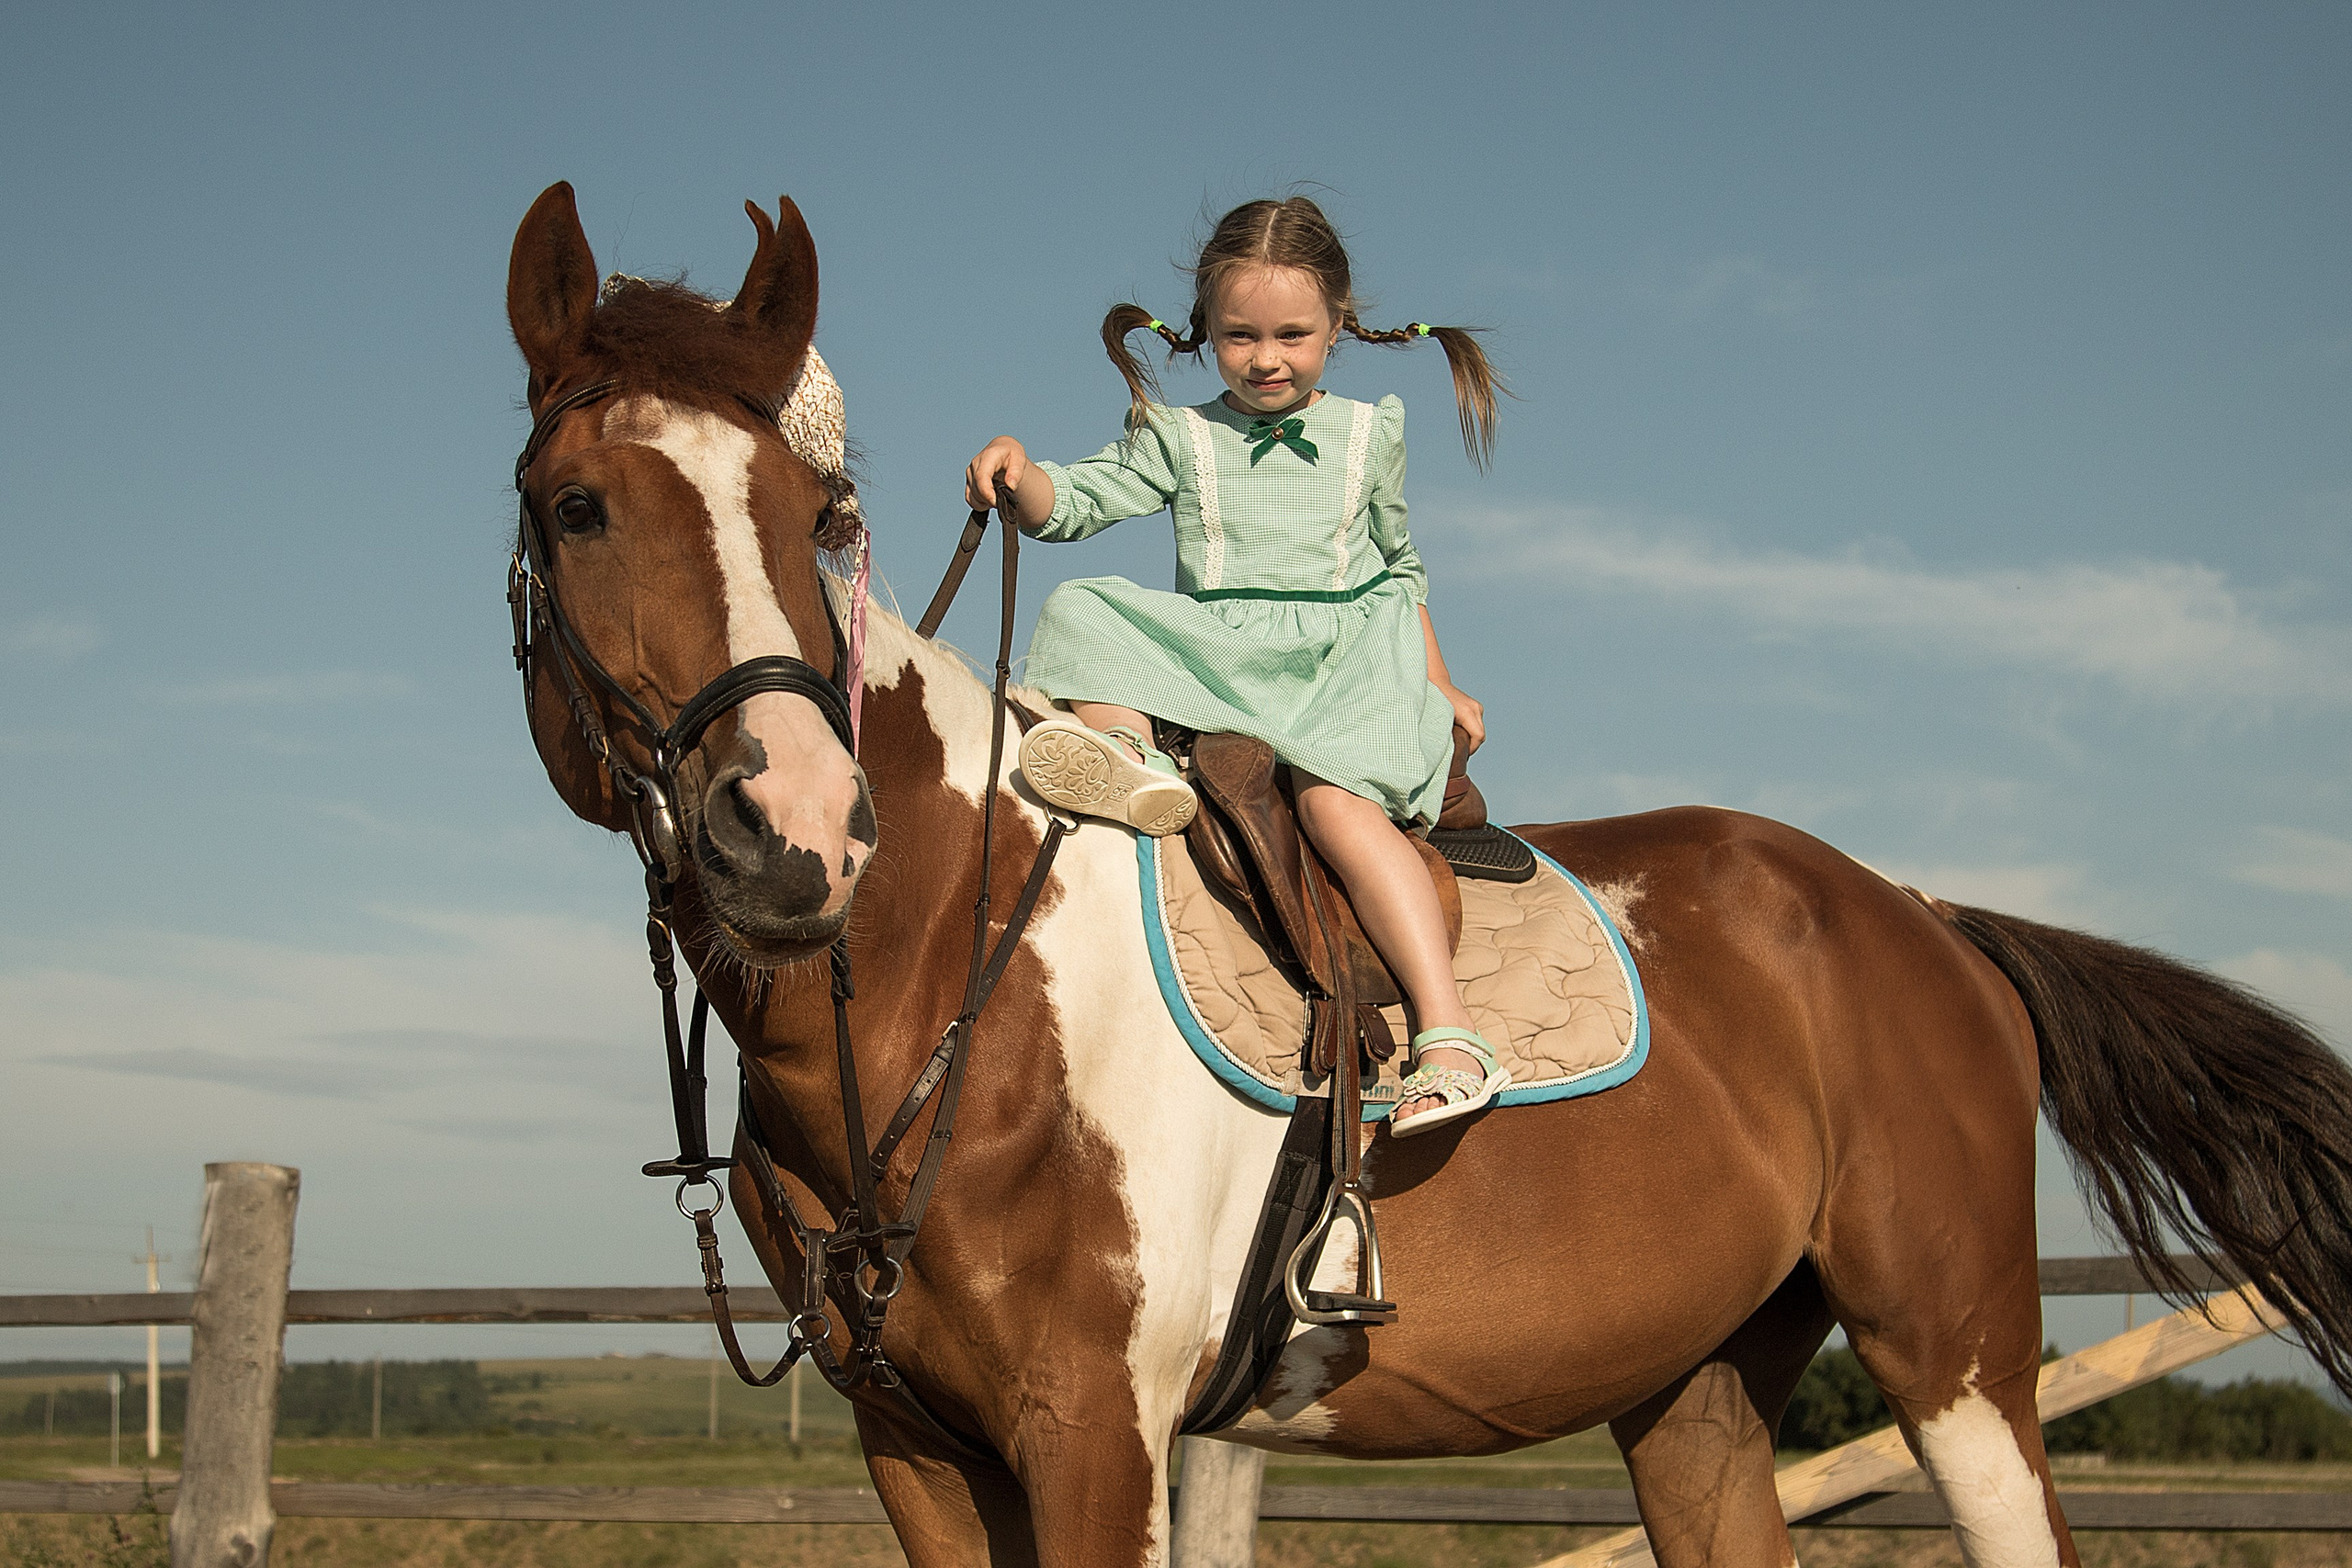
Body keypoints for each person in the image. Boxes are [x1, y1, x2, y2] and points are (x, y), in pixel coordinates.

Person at [964, 197, 1505, 1135]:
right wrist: (1023, 472)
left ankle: (1450, 1035)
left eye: (1292, 335)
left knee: (1334, 805)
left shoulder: (1370, 433)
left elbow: (1399, 570)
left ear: (1337, 325)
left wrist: (1441, 679)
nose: (1267, 358)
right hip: (1227, 655)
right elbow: (1084, 500)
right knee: (1082, 605)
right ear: (1204, 334)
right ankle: (1130, 762)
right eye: (1238, 336)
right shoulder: (1180, 435)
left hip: (1347, 658)